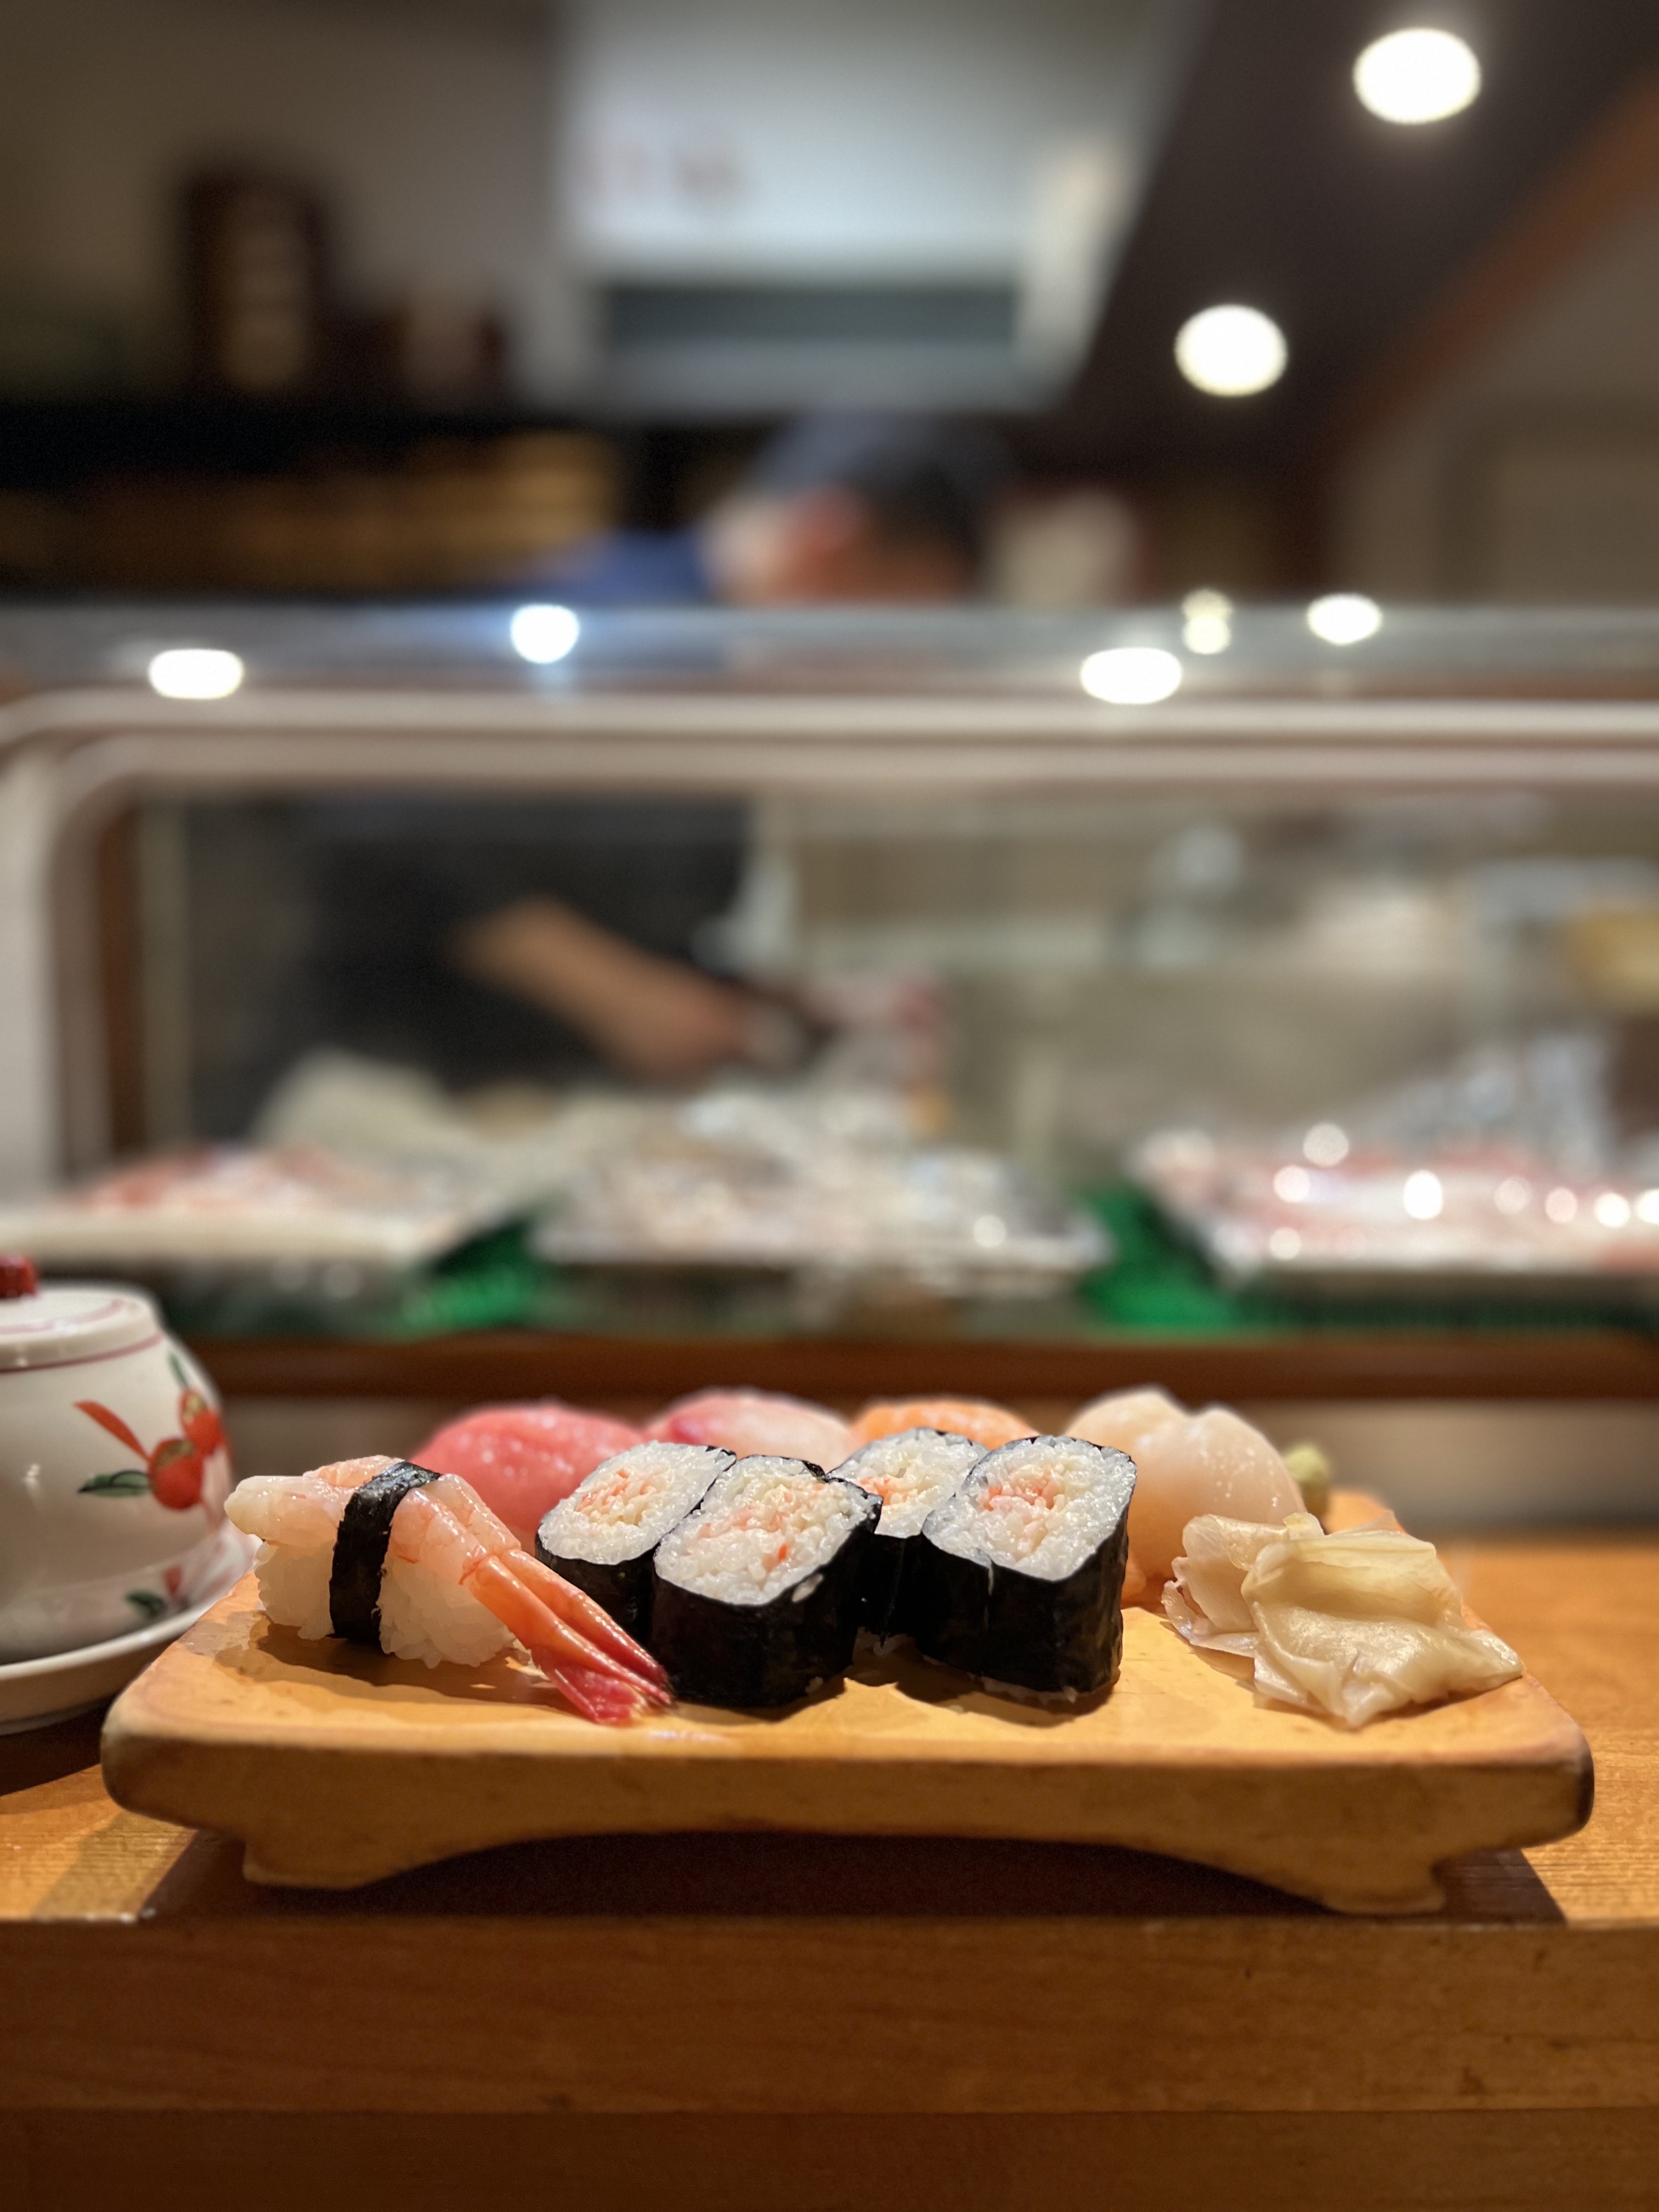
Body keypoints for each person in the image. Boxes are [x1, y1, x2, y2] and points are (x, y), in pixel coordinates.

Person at [302, 415, 1007, 1093]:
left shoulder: (724, 671)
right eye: (895, 630)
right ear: (830, 541)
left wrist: (797, 1003)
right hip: (412, 1104)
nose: (888, 672)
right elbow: (373, 809)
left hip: (557, 1110)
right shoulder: (606, 624)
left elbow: (635, 918)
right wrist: (619, 996)